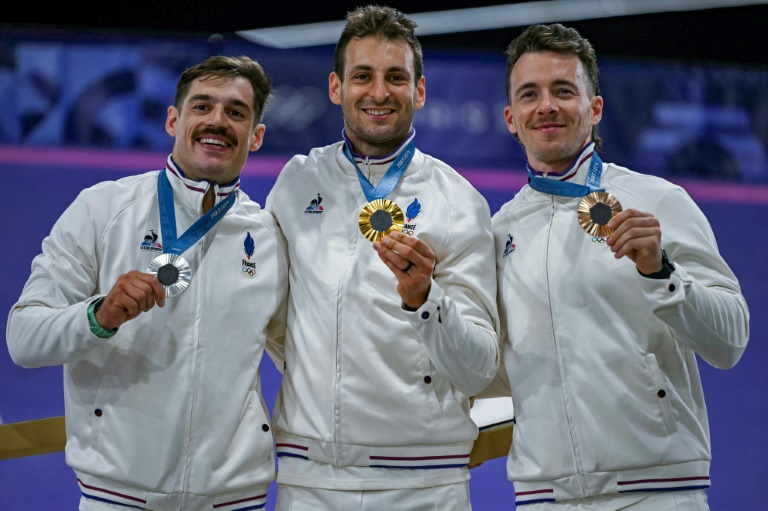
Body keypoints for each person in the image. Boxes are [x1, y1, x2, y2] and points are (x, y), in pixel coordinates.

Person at [6, 55, 288, 511]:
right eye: (202, 106)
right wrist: (98, 315)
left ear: (255, 136)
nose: (217, 121)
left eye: (236, 112)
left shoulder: (268, 237)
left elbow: (306, 356)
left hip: (235, 499)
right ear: (173, 119)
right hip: (116, 497)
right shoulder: (101, 210)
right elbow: (23, 339)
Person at [487, 23, 750, 509]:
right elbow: (496, 370)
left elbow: (730, 340)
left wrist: (662, 272)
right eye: (530, 94)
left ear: (595, 108)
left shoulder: (657, 201)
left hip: (657, 491)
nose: (547, 105)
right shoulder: (499, 232)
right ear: (510, 117)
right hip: (544, 496)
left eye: (564, 91)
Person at [264, 5, 499, 510]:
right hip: (312, 484)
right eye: (362, 76)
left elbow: (479, 368)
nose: (378, 92)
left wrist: (425, 300)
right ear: (336, 87)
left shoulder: (459, 202)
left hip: (424, 486)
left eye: (396, 77)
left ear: (419, 90)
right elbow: (275, 319)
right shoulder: (297, 183)